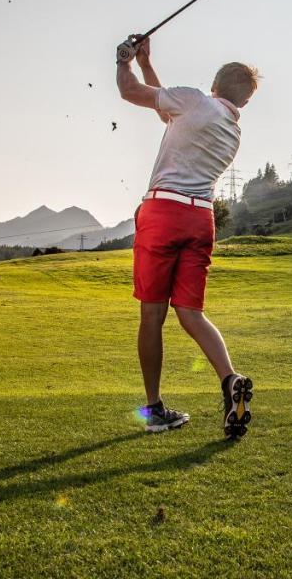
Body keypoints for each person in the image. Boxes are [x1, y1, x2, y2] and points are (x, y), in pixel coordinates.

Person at [116, 34, 259, 438]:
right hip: (201, 220)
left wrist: (124, 60)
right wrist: (147, 63)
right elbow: (168, 112)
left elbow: (131, 94)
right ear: (244, 100)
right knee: (191, 313)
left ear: (215, 85)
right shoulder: (232, 132)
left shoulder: (196, 101)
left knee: (152, 314)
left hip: (164, 212)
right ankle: (230, 380)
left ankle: (154, 409)